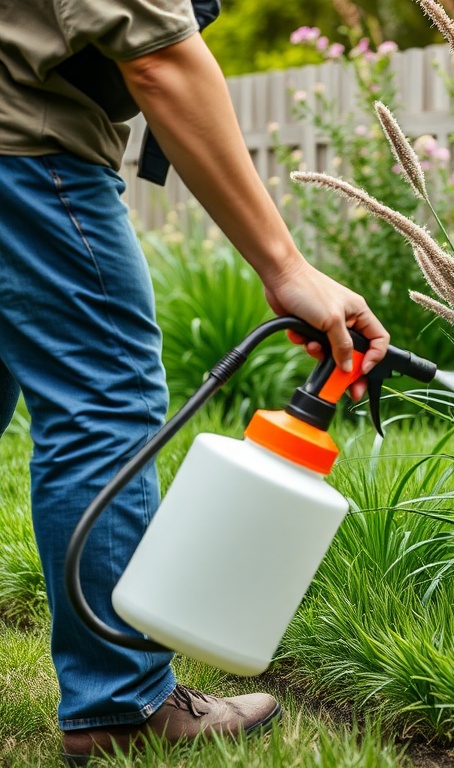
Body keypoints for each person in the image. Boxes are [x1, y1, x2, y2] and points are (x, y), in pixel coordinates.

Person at [0, 0, 390, 762]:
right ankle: (121, 701)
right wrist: (286, 267)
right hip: (28, 158)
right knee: (103, 403)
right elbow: (158, 58)